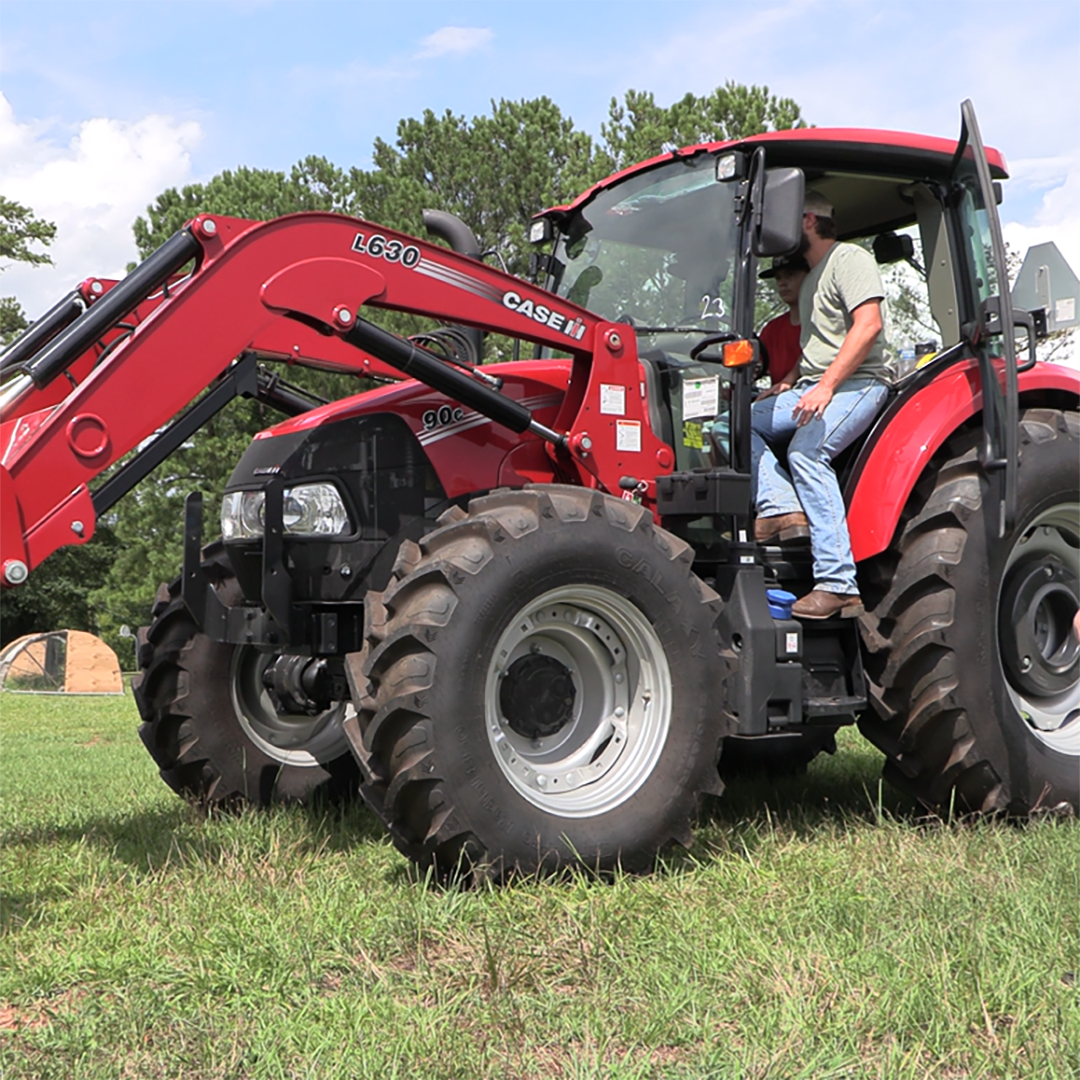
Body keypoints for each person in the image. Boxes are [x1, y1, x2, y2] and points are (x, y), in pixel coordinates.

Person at [750, 190, 892, 619]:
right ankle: (781, 508)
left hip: (860, 383)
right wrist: (788, 381)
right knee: (732, 423)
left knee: (806, 452)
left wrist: (826, 386)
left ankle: (838, 584)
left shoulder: (849, 260)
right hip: (813, 384)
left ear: (807, 220)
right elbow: (817, 348)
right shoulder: (812, 279)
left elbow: (868, 327)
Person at [757, 251, 809, 390]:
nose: (782, 283)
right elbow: (756, 367)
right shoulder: (772, 329)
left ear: (810, 276)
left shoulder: (825, 323)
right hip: (778, 400)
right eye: (778, 278)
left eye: (790, 275)